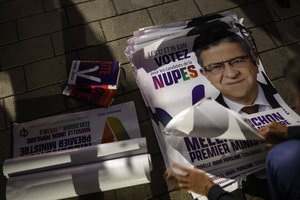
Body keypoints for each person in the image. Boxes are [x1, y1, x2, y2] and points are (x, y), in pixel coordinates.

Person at [167, 58, 300, 200]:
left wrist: (207, 188)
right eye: (216, 66)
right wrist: (290, 132)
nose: (231, 73)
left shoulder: (287, 159)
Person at [193, 31, 281, 116]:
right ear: (206, 75)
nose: (231, 74)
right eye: (216, 67)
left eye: (237, 61)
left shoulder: (287, 91)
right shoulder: (206, 120)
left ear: (255, 60)